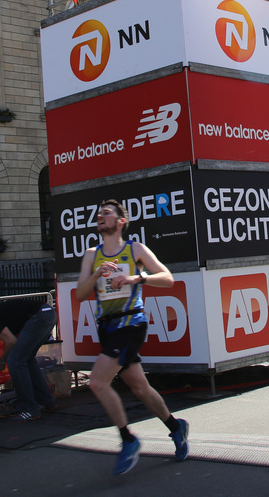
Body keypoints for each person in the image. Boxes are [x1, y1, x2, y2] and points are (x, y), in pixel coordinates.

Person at [76, 200, 189, 475]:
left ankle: (128, 439)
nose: (100, 217)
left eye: (107, 213)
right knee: (140, 387)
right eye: (99, 214)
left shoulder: (134, 249)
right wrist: (97, 274)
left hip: (131, 323)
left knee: (97, 381)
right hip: (107, 327)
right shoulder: (92, 254)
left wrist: (137, 278)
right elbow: (80, 294)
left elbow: (168, 278)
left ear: (121, 221)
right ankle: (176, 427)